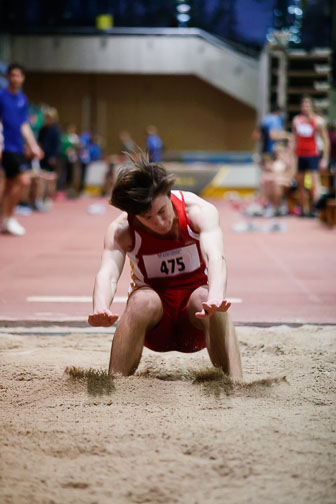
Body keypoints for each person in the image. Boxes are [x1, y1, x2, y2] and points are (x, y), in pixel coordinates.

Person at [88, 152, 242, 379]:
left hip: (197, 316)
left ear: (169, 196)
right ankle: (114, 384)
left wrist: (216, 298)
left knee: (207, 299)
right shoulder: (122, 229)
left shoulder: (199, 211)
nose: (159, 223)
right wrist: (100, 306)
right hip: (155, 322)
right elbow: (108, 273)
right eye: (148, 218)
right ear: (134, 214)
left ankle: (235, 382)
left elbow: (215, 256)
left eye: (162, 211)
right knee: (140, 300)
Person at [0, 63, 43, 236]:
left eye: (18, 75)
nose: (15, 78)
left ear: (22, 78)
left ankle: (4, 219)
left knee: (10, 184)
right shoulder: (2, 96)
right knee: (23, 180)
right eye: (12, 75)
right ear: (7, 77)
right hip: (6, 146)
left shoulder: (22, 99)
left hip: (18, 147)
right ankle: (9, 218)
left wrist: (33, 145)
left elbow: (24, 125)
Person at [292, 96, 330, 216]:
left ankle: (316, 208)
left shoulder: (318, 121)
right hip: (300, 154)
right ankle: (304, 209)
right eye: (303, 105)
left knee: (315, 182)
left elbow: (326, 141)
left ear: (312, 106)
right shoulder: (297, 120)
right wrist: (293, 157)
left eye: (307, 105)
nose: (305, 107)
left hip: (312, 154)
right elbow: (294, 139)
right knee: (301, 184)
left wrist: (324, 159)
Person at [36, 107, 61, 210]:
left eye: (49, 118)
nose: (47, 120)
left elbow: (57, 145)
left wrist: (53, 156)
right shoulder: (42, 130)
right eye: (46, 118)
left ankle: (49, 199)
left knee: (51, 179)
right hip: (42, 157)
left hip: (51, 157)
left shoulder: (55, 130)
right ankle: (40, 199)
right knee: (42, 178)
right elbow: (39, 142)